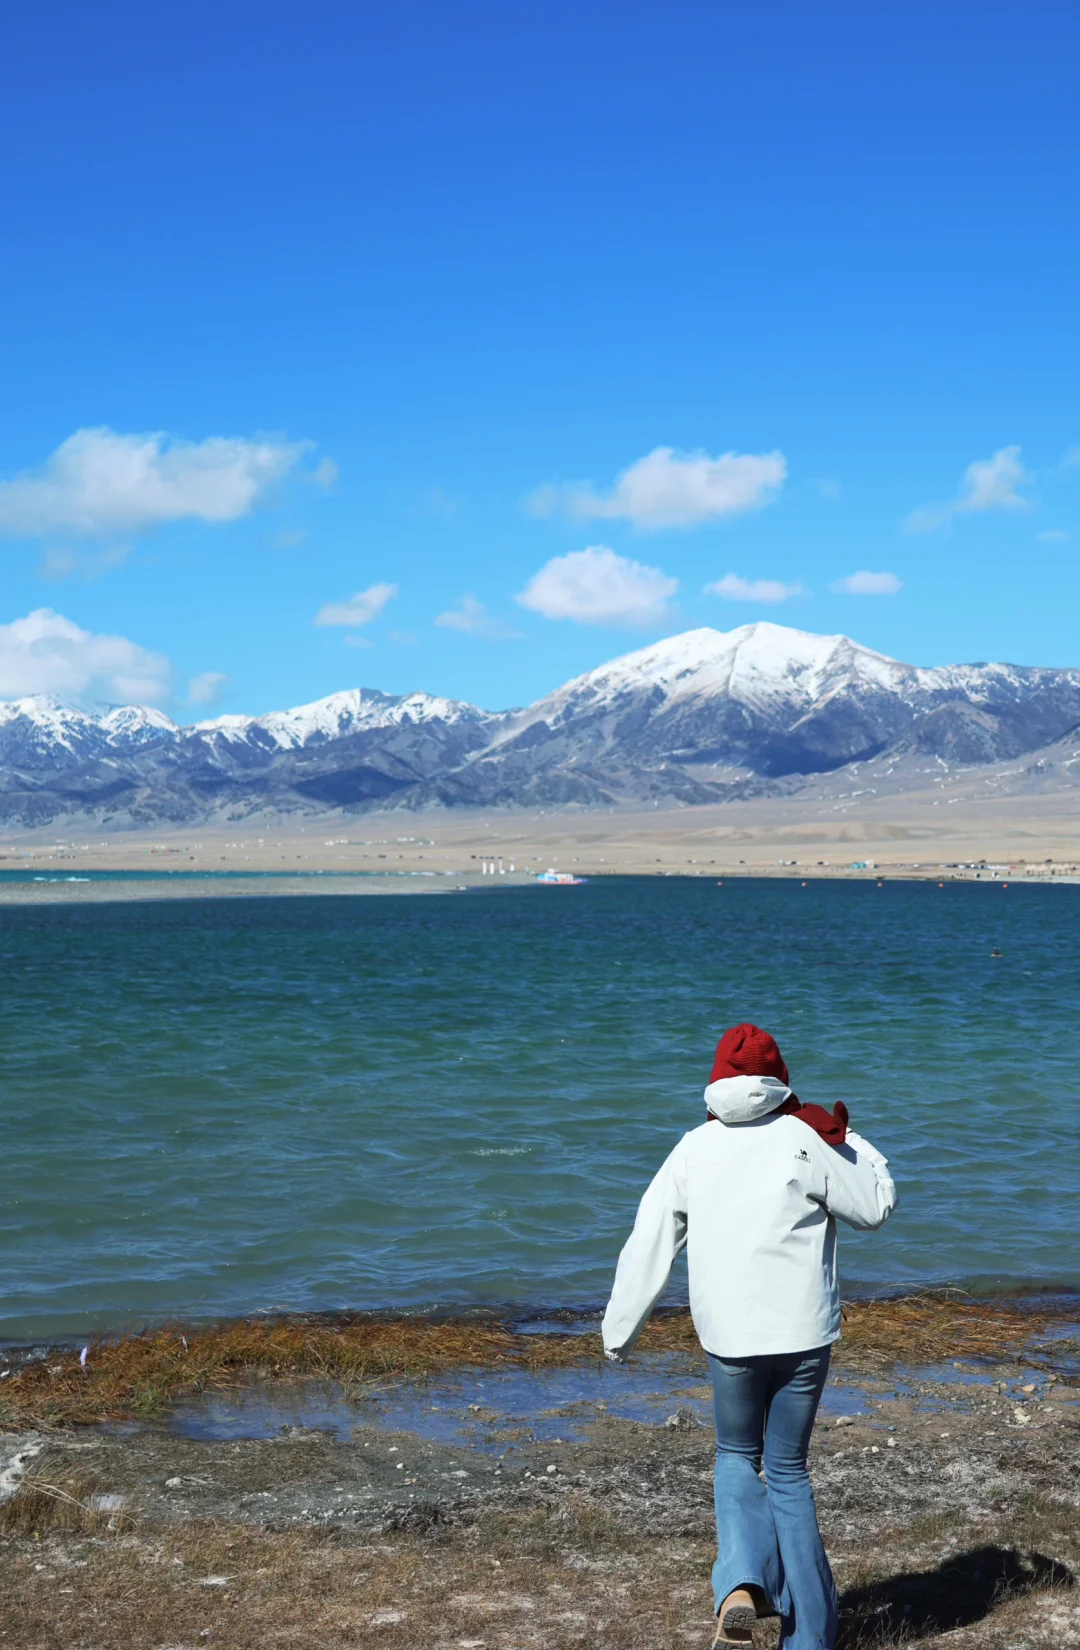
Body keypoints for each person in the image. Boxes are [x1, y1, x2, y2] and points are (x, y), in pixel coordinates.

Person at [601, 1023, 897, 1649]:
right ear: (779, 1078)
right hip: (804, 1336)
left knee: (738, 1458)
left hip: (730, 1337)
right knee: (788, 1471)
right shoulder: (805, 1138)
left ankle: (740, 1584)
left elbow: (650, 1236)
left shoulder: (693, 1148)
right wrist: (852, 1139)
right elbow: (873, 1207)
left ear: (717, 1082)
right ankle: (809, 1639)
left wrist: (618, 1331)